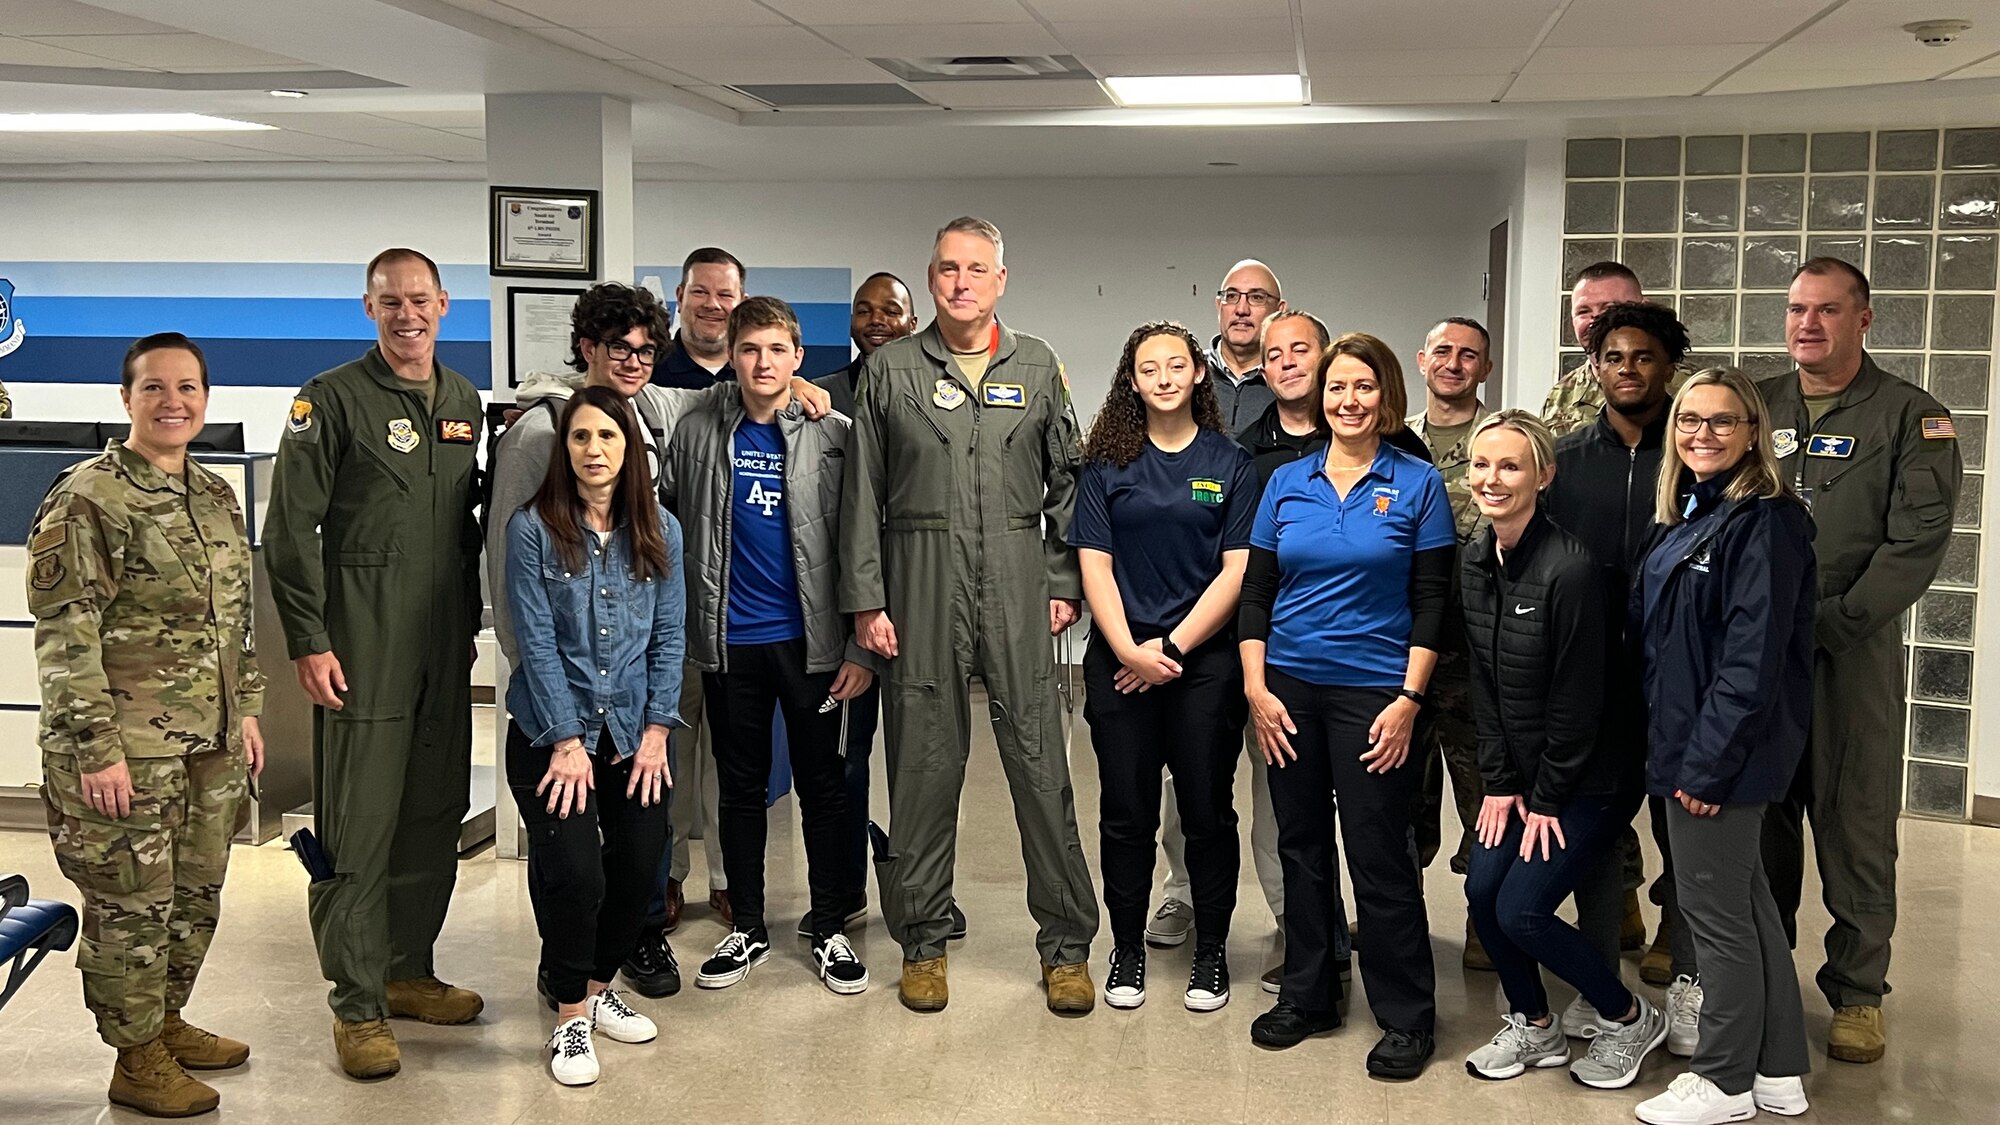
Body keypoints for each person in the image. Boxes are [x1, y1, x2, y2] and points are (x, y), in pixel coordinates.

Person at [485, 282, 828, 1000]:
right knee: (574, 863)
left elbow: (737, 394)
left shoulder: (658, 411)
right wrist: (552, 716)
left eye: (648, 349)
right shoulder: (542, 432)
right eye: (621, 349)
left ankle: (626, 948)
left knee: (639, 837)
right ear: (588, 349)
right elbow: (514, 588)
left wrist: (794, 382)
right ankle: (571, 986)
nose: (636, 361)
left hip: (636, 686)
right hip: (562, 699)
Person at [840, 215, 1099, 1015]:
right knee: (921, 766)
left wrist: (1063, 578)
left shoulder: (1038, 362)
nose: (961, 281)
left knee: (1041, 766)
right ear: (930, 277)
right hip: (920, 577)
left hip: (1019, 577)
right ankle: (921, 939)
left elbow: (1071, 481)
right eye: (948, 268)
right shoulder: (889, 371)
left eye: (976, 268)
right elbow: (862, 494)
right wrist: (866, 600)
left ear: (1001, 279)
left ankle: (1065, 945)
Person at [29, 333, 264, 1118]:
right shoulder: (89, 497)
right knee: (132, 907)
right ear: (124, 398)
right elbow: (67, 636)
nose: (174, 402)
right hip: (127, 751)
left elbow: (236, 620)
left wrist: (250, 711)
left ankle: (164, 1022)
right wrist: (94, 748)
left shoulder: (213, 494)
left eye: (189, 387)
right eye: (155, 388)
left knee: (195, 896)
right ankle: (134, 1059)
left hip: (209, 747)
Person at [266, 247, 485, 1080]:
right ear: (369, 308)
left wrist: (469, 625)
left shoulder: (462, 398)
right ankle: (355, 1003)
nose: (408, 314)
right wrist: (308, 638)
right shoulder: (330, 401)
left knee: (433, 811)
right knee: (359, 823)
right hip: (361, 646)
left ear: (444, 305)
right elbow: (290, 530)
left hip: (440, 644)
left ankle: (406, 968)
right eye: (391, 301)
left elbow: (464, 532)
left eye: (420, 299)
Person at [1759, 258, 1961, 1065]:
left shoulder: (1912, 416)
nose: (1808, 323)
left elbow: (1915, 546)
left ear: (1864, 319)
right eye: (1797, 309)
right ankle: (1764, 973)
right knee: (1760, 816)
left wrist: (1832, 624)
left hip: (1852, 654)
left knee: (1856, 824)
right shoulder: (1756, 403)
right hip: (1761, 654)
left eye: (1828, 310)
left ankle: (1858, 992)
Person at [1240, 332, 1453, 1078]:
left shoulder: (1417, 482)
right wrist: (1257, 687)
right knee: (1300, 847)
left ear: (1386, 394)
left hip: (1375, 693)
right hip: (1289, 689)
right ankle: (1309, 993)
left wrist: (1408, 700)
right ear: (1320, 397)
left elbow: (1432, 601)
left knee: (1378, 854)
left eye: (1363, 386)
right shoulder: (1286, 484)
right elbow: (1258, 593)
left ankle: (1405, 1015)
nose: (1349, 400)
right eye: (1337, 387)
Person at [664, 297, 875, 995]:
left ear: (798, 356)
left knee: (824, 787)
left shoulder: (833, 432)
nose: (762, 363)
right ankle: (749, 923)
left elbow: (863, 544)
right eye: (749, 349)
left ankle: (830, 924)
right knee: (741, 787)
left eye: (776, 350)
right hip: (729, 645)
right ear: (731, 353)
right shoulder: (696, 428)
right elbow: (665, 517)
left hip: (812, 646)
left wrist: (859, 646)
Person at [1456, 410, 1665, 1089]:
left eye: (1510, 465)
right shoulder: (1475, 555)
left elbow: (1581, 702)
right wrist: (1500, 783)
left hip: (1592, 778)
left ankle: (1629, 1015)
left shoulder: (1570, 570)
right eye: (1482, 464)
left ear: (1544, 475)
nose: (1492, 478)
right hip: (1523, 775)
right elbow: (1483, 683)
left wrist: (1545, 798)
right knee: (1485, 892)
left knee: (1521, 907)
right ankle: (1535, 1025)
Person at [1633, 369, 1815, 1124]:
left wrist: (1707, 764)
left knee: (1715, 919)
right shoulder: (1695, 514)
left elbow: (1751, 660)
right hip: (1695, 743)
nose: (1702, 433)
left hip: (1718, 756)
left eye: (1722, 421)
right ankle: (1778, 1070)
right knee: (1749, 904)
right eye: (1689, 420)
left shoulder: (1764, 521)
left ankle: (1725, 1079)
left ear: (1752, 432)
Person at [504, 385, 683, 1087]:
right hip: (553, 733)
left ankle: (600, 980)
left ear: (629, 446)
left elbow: (671, 634)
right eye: (580, 437)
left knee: (639, 868)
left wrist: (659, 729)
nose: (593, 450)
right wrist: (566, 738)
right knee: (575, 873)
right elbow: (534, 638)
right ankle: (571, 1014)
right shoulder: (533, 528)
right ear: (565, 449)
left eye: (607, 436)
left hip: (635, 729)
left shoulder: (660, 527)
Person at [1072, 321, 1254, 1012]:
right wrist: (1126, 650)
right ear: (1133, 380)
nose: (1165, 377)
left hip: (1201, 663)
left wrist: (1170, 650)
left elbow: (1236, 570)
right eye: (1150, 368)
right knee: (1126, 812)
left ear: (1199, 373)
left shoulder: (1228, 462)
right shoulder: (1105, 463)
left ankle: (1211, 952)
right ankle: (1126, 949)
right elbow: (1096, 564)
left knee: (1207, 811)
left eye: (1177, 365)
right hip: (1120, 659)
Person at [1544, 300, 1693, 997]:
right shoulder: (1564, 461)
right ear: (1593, 366)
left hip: (1678, 678)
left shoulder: (1695, 455)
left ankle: (1686, 963)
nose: (1627, 369)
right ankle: (1600, 978)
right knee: (1599, 834)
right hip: (1592, 677)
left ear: (1668, 366)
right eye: (1612, 356)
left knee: (1683, 829)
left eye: (1642, 356)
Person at [808, 271, 922, 940]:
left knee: (921, 764)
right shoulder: (819, 395)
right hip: (854, 617)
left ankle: (918, 889)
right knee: (848, 763)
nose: (876, 319)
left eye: (892, 310)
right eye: (866, 308)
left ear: (913, 320)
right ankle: (847, 890)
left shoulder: (927, 393)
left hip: (920, 609)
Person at [1405, 316, 1496, 971]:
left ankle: (1483, 921)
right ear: (1421, 359)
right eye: (1443, 351)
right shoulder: (1393, 440)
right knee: (1399, 793)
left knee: (1482, 794)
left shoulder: (1504, 437)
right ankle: (1396, 911)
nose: (1454, 363)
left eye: (1469, 355)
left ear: (1484, 369)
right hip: (1403, 647)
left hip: (1477, 651)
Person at [650, 246, 746, 389]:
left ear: (742, 305)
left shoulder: (766, 373)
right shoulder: (645, 370)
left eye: (725, 295)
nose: (712, 304)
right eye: (700, 292)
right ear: (680, 297)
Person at [1206, 259, 1285, 431]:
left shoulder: (1290, 378)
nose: (1241, 309)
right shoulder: (1189, 373)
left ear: (1279, 311)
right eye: (1231, 296)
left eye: (1257, 297)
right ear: (1219, 305)